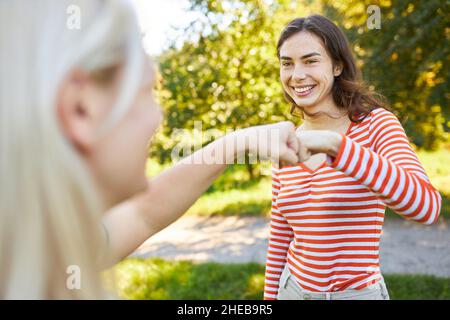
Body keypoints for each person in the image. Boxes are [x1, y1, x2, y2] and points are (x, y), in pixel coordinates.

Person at [0, 0, 301, 299]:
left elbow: (144, 213)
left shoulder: (49, 242)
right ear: (82, 108)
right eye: (147, 91)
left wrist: (240, 142)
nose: (158, 118)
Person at [263, 15, 442, 300]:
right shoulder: (288, 141)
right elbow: (281, 237)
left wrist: (337, 147)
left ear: (337, 66)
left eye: (310, 61)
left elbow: (426, 207)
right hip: (292, 290)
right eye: (287, 63)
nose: (296, 75)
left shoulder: (375, 125)